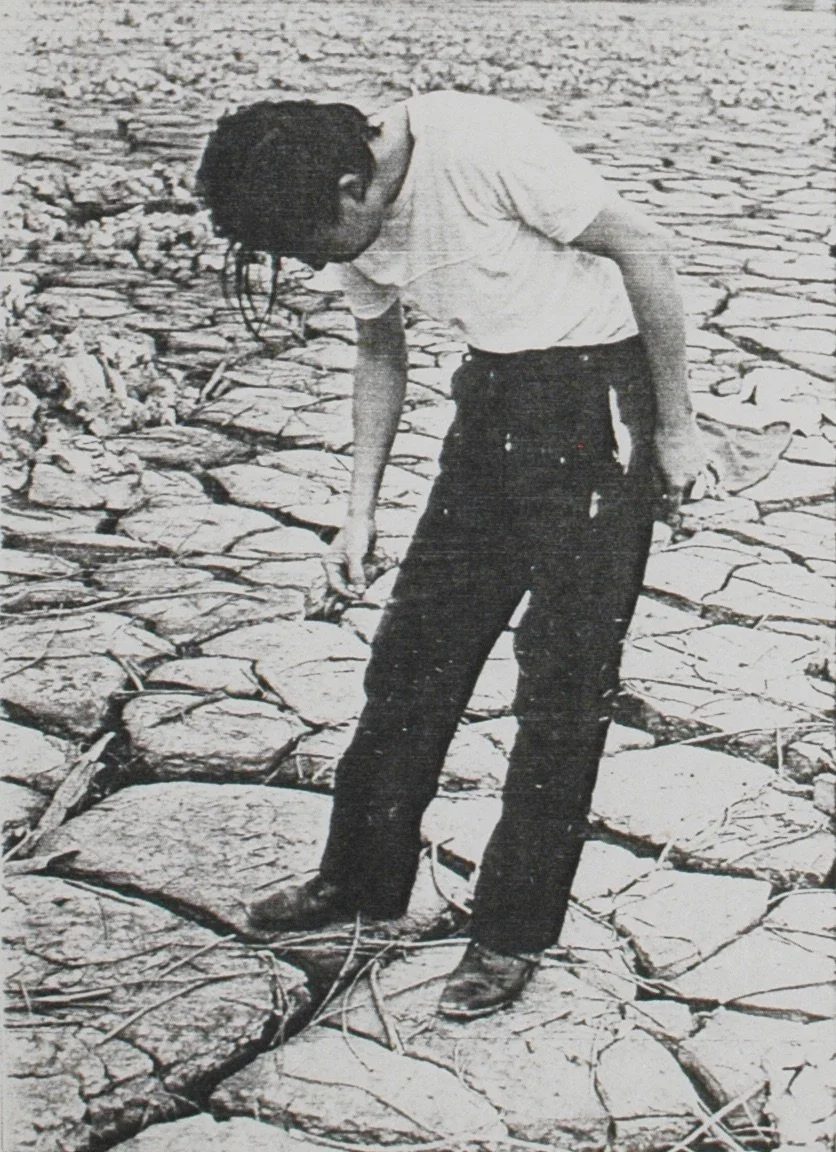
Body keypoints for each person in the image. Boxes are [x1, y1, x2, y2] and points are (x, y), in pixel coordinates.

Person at [196, 91, 708, 1020]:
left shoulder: (480, 145)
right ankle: (359, 880)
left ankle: (511, 932)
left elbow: (644, 248)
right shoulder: (341, 205)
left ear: (351, 188)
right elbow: (379, 353)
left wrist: (675, 428)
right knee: (411, 660)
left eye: (311, 243)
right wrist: (358, 514)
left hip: (599, 405)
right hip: (494, 405)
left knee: (562, 686)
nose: (312, 264)